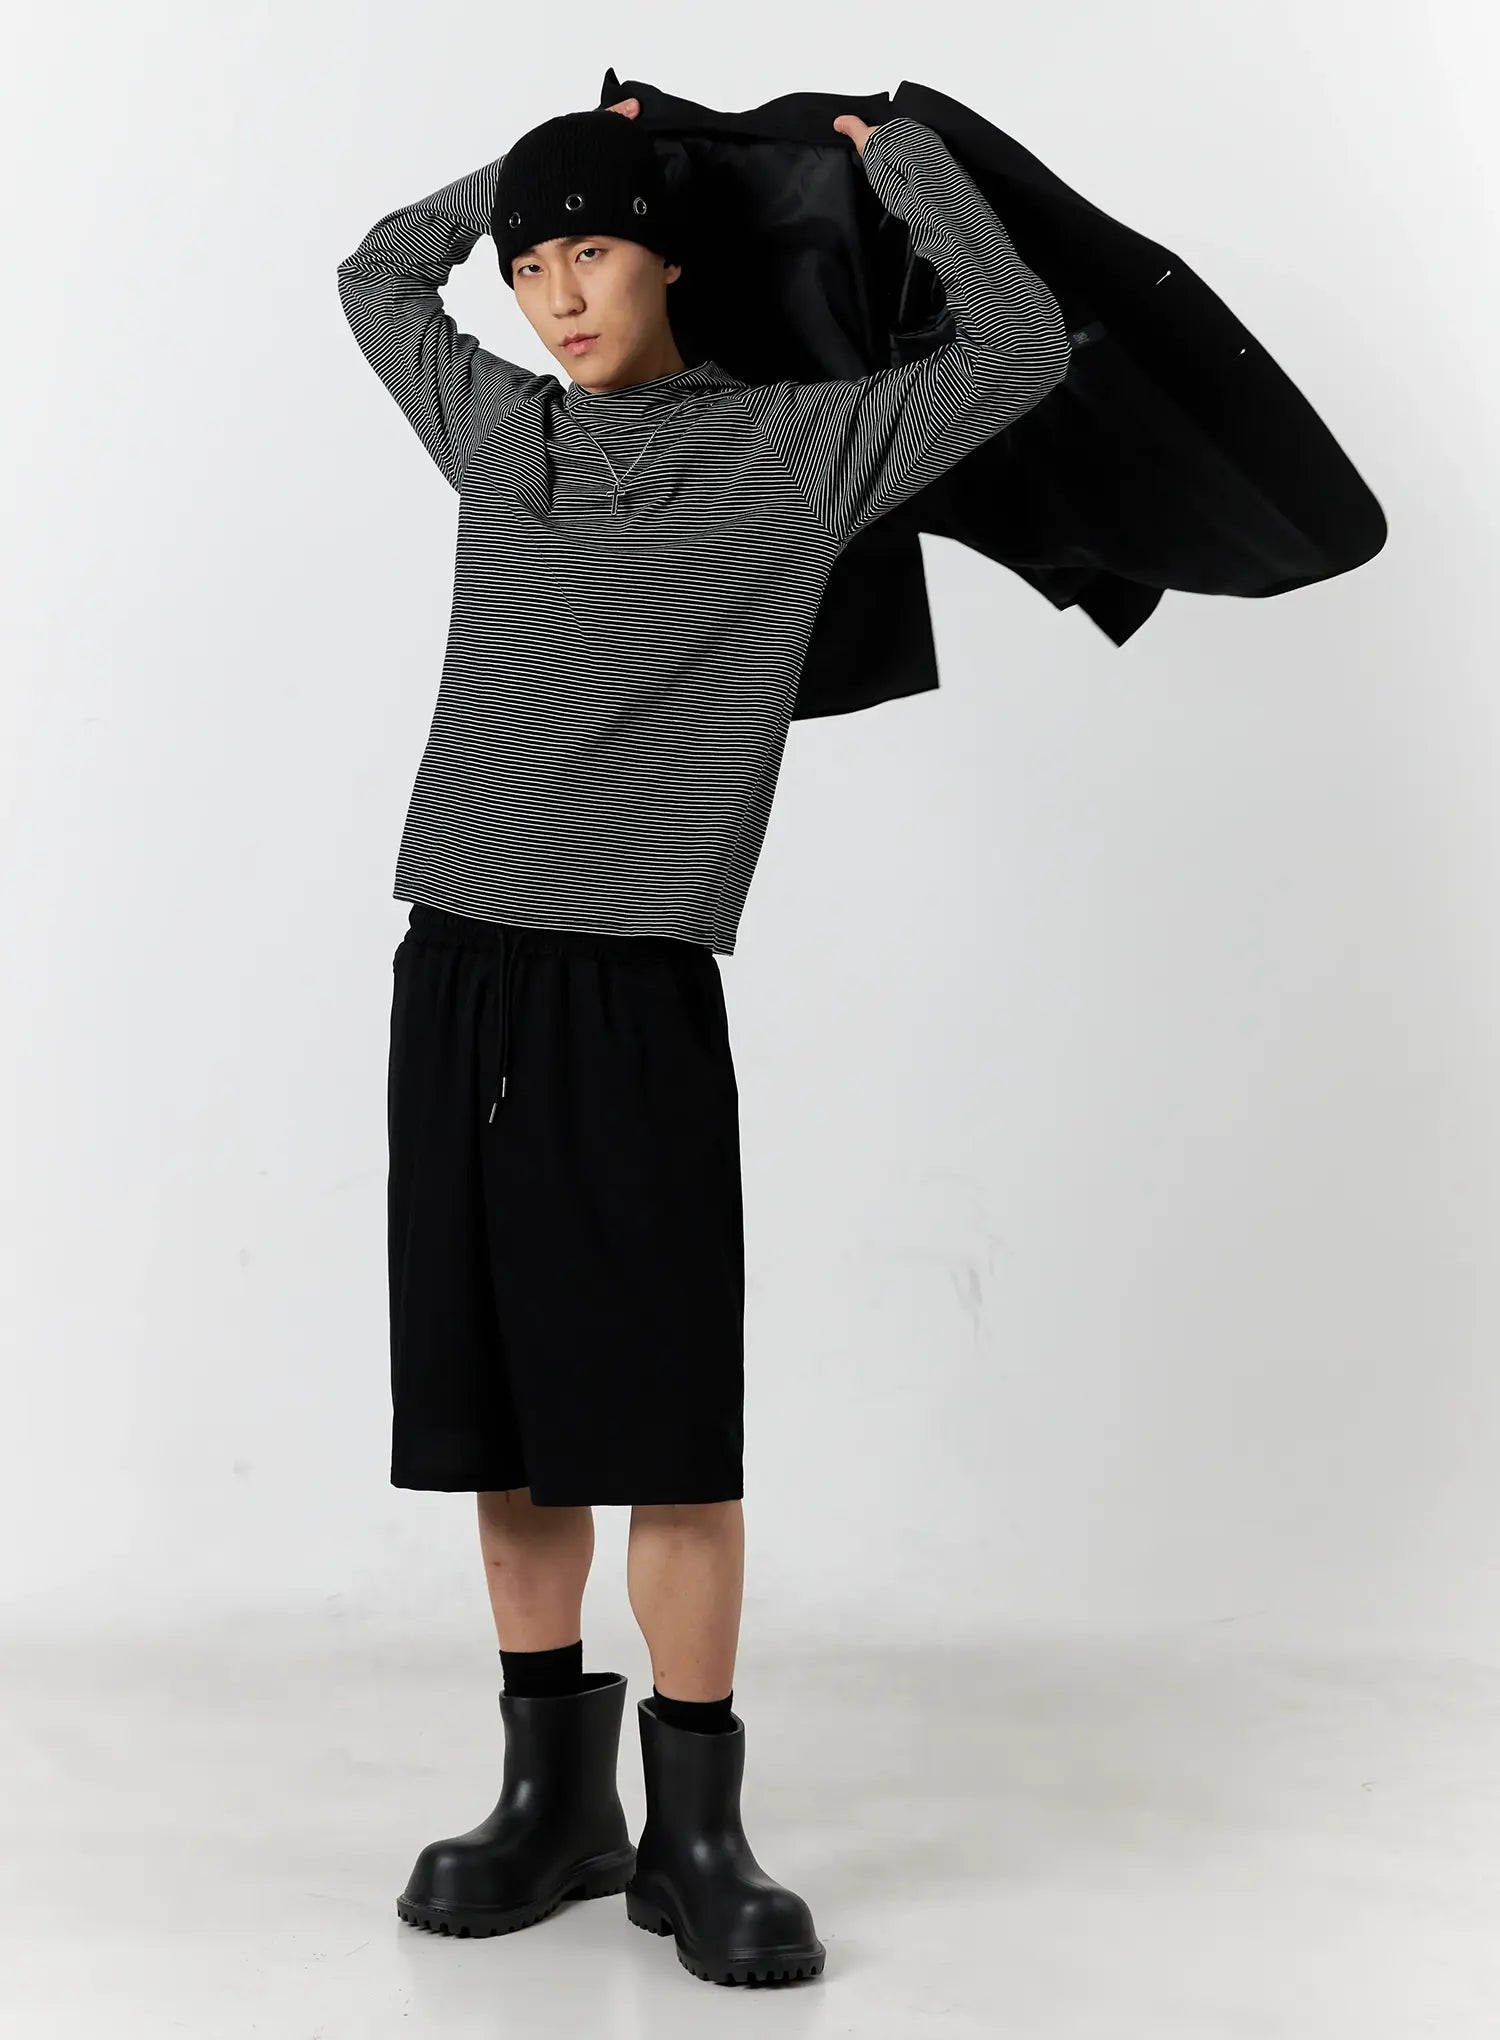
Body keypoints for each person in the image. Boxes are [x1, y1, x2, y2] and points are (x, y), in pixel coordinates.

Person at [336, 93, 1070, 1988]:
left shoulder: (799, 450)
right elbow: (380, 272)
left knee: (665, 1439)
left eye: (589, 249)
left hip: (634, 992)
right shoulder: (501, 429)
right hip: (456, 977)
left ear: (667, 255)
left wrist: (887, 168)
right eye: (530, 266)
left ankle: (698, 1833)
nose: (555, 296)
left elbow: (1019, 349)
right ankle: (550, 1804)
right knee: (503, 1438)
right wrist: (533, 165)